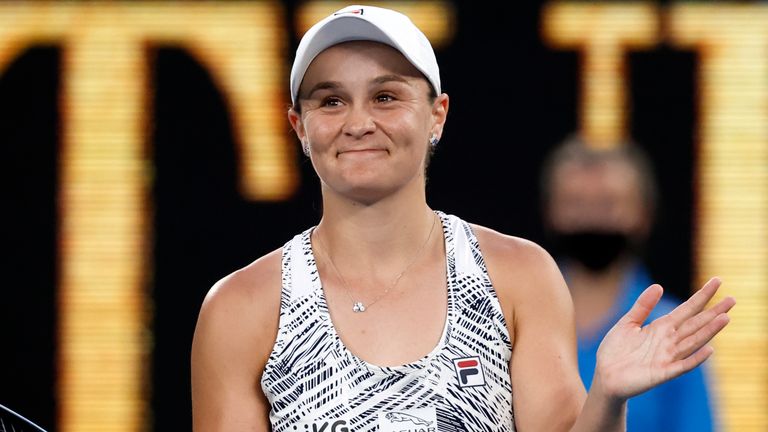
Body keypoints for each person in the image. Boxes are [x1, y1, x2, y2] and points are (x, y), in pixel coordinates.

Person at [190, 5, 735, 431]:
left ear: (437, 115)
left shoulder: (517, 277)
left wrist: (608, 397)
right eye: (331, 101)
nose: (357, 123)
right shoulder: (241, 308)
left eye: (385, 96)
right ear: (299, 126)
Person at [539, 136, 718, 431]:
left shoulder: (676, 332)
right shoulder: (511, 318)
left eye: (608, 204)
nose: (591, 219)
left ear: (643, 214)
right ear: (550, 211)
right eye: (575, 203)